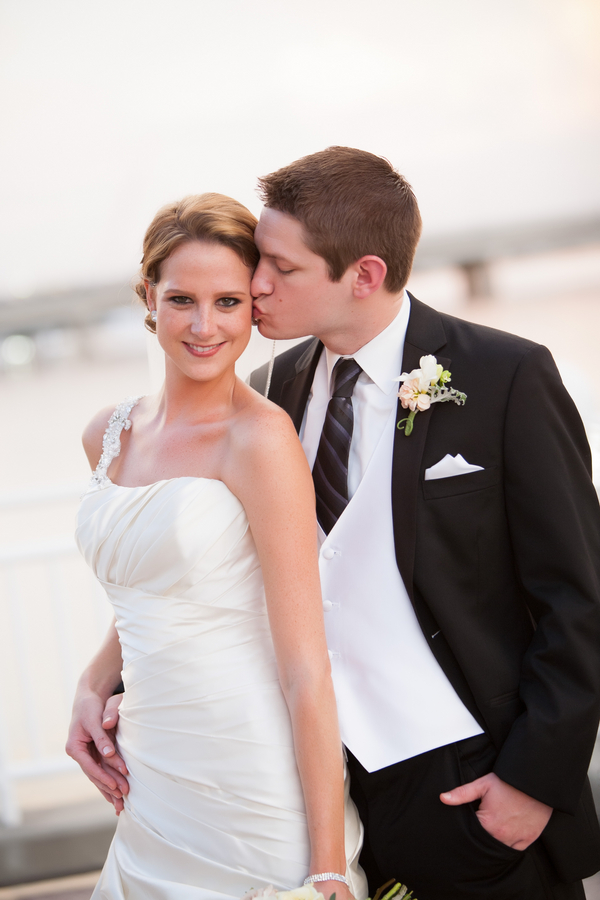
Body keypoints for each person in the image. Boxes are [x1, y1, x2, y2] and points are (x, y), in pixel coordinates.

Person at [244, 148, 600, 899]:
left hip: (469, 782)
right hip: (321, 794)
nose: (256, 286)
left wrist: (533, 782)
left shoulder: (505, 376)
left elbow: (580, 596)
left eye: (282, 267)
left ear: (364, 275)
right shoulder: (267, 390)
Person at [69, 192, 366, 900]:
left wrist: (326, 869)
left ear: (253, 307)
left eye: (229, 302)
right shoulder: (107, 432)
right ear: (148, 296)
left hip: (247, 768)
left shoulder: (260, 442)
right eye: (182, 300)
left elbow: (305, 669)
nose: (206, 327)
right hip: (153, 767)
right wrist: (90, 683)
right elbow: (156, 586)